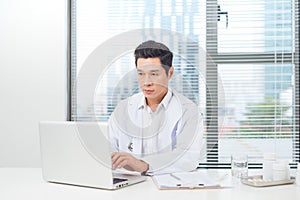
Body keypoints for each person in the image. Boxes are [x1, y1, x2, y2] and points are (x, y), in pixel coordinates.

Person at [108, 40, 203, 175]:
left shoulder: (188, 111)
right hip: (129, 186)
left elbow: (187, 158)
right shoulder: (123, 109)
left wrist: (143, 165)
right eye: (141, 74)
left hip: (170, 189)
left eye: (154, 74)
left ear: (170, 73)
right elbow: (108, 149)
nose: (146, 82)